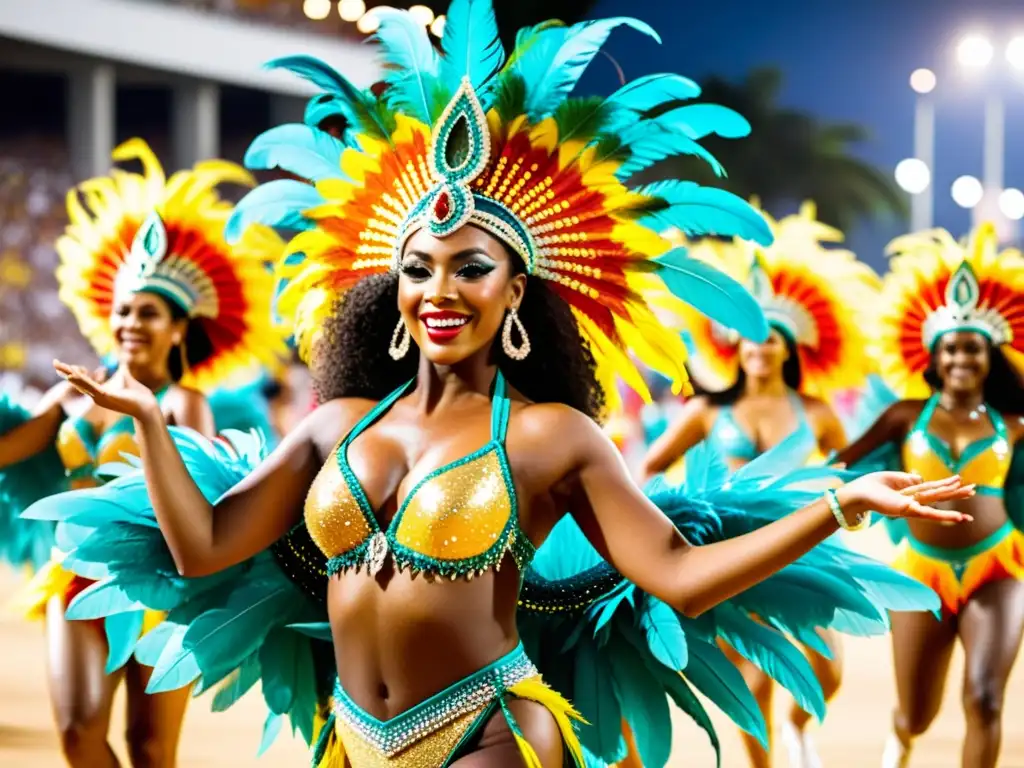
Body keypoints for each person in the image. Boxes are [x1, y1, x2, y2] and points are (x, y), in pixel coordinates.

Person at [33, 5, 971, 766]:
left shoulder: (549, 436)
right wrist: (152, 421)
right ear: (386, 289)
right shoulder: (337, 425)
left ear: (516, 289)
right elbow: (202, 550)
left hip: (487, 728)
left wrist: (839, 505)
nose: (439, 292)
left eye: (470, 268)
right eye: (418, 268)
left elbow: (680, 581)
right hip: (349, 737)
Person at [0, 138, 285, 767]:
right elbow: (8, 450)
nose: (131, 322)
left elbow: (206, 495)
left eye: (149, 312)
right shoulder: (69, 394)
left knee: (151, 750)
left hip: (161, 585)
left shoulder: (186, 404)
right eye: (124, 310)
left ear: (180, 327)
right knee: (78, 735)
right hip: (72, 576)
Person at [641, 203, 880, 768]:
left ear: (789, 347)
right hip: (731, 551)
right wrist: (668, 517)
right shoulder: (705, 411)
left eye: (770, 338)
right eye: (749, 337)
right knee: (754, 675)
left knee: (827, 668)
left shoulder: (817, 412)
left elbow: (845, 468)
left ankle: (798, 729)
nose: (760, 347)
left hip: (805, 548)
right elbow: (648, 467)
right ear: (734, 346)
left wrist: (851, 496)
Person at [835, 224, 1024, 768]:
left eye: (973, 349)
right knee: (917, 710)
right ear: (934, 357)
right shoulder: (902, 417)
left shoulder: (1014, 423)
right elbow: (840, 467)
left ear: (991, 358)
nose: (962, 358)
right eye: (951, 349)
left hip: (997, 567)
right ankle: (903, 736)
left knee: (985, 699)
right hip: (920, 570)